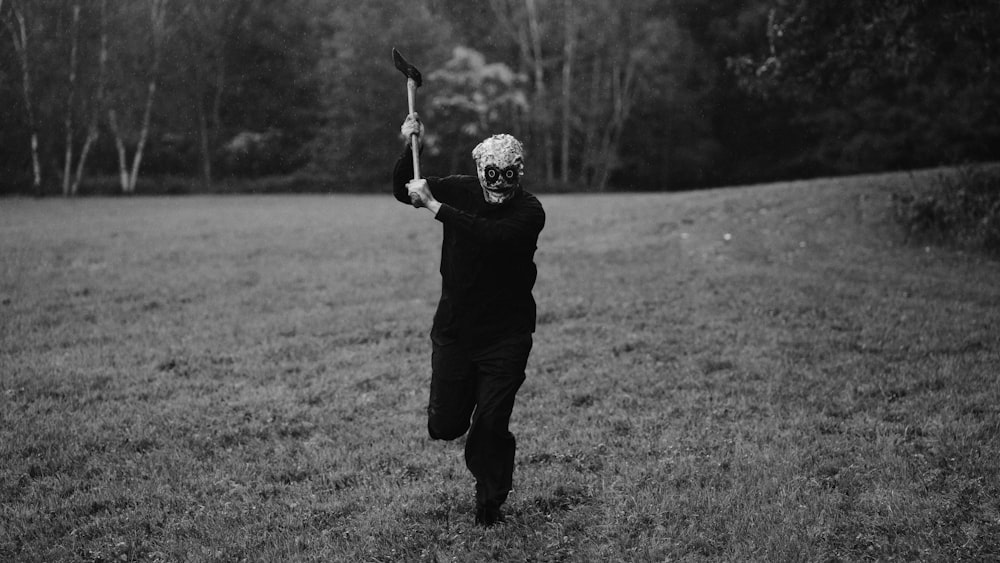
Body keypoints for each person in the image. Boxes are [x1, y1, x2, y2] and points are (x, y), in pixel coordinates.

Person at [393, 112, 545, 527]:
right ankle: (451, 421)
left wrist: (437, 208)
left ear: (518, 173)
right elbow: (403, 190)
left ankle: (489, 504)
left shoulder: (530, 211)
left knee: (491, 423)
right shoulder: (461, 189)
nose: (499, 181)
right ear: (481, 170)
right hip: (456, 331)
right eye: (492, 173)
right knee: (445, 426)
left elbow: (494, 238)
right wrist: (412, 149)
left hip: (506, 336)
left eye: (508, 173)